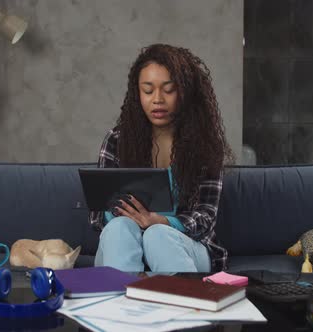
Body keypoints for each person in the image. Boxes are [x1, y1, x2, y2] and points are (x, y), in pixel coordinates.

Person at [88, 44, 233, 272]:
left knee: (157, 235)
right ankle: (120, 302)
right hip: (123, 244)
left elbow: (205, 219)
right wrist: (125, 213)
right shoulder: (117, 139)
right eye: (148, 90)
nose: (158, 99)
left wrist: (162, 222)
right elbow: (96, 218)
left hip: (182, 247)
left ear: (184, 92)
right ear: (137, 94)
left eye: (169, 89)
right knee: (119, 228)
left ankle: (182, 302)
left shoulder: (204, 144)